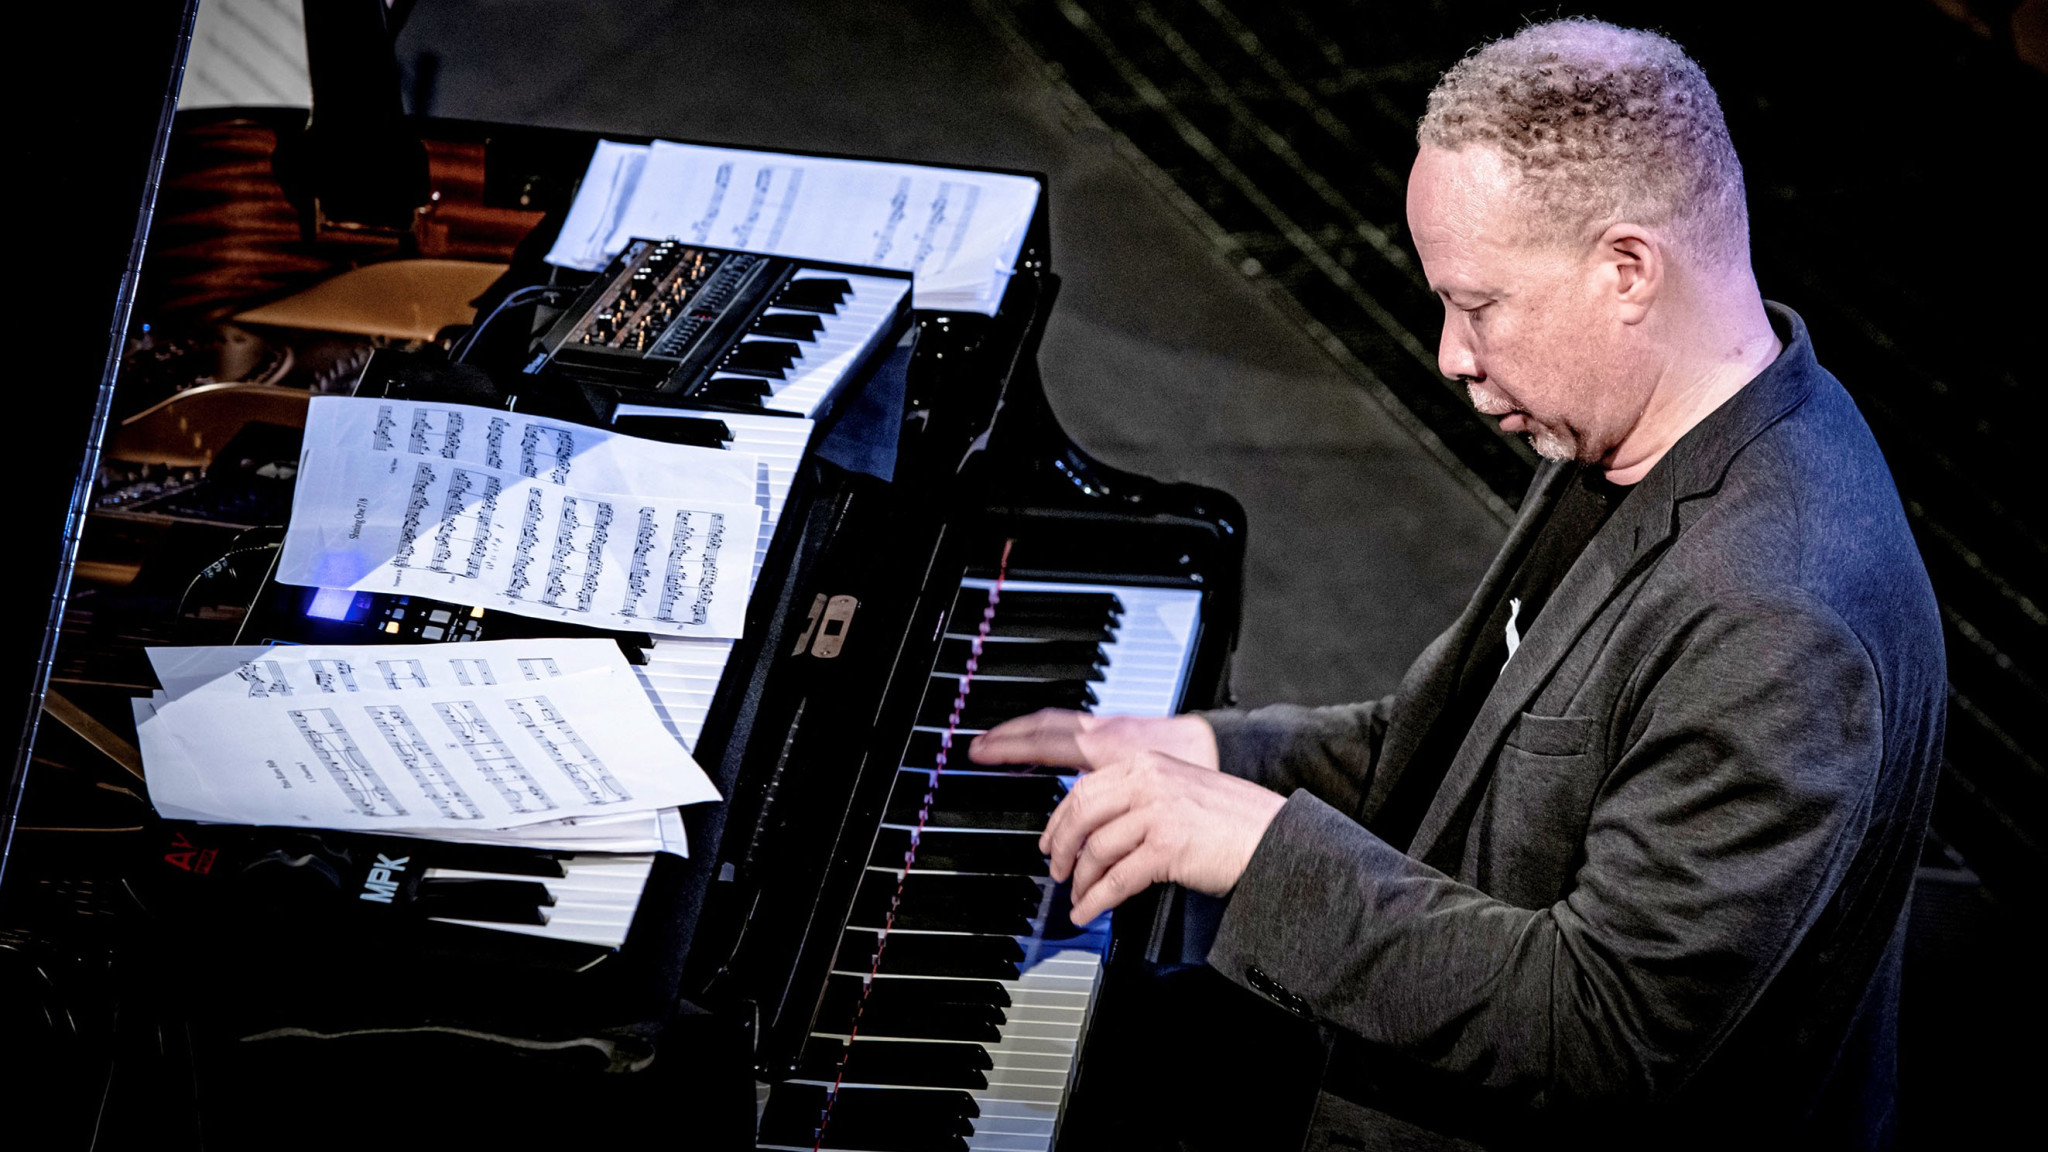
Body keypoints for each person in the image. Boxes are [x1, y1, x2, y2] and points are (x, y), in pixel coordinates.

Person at [971, 18, 1944, 1149]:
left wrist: (1258, 846)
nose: (1449, 354)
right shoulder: (1634, 425)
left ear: (1624, 269)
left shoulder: (1776, 617)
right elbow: (1451, 742)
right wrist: (1214, 752)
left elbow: (1601, 1032)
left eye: (1477, 305)